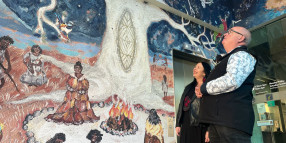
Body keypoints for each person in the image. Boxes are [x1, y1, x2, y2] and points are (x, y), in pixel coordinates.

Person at [196, 26, 257, 143]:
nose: (224, 34)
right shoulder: (228, 58)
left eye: (229, 32)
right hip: (218, 121)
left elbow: (232, 81)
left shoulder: (242, 55)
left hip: (232, 121)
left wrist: (203, 88)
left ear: (240, 37)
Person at [176, 62, 211, 143]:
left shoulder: (209, 88)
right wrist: (178, 124)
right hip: (186, 125)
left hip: (201, 126)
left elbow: (211, 109)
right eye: (195, 67)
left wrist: (209, 130)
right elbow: (181, 105)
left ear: (204, 73)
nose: (194, 69)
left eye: (198, 67)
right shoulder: (188, 87)